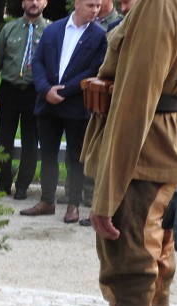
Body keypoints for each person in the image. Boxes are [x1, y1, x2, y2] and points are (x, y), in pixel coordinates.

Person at [49, 0, 177, 306]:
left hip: (142, 161)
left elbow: (135, 101)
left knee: (131, 279)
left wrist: (107, 192)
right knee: (154, 280)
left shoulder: (161, 4)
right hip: (162, 155)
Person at [18, 0, 105, 223]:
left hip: (75, 105)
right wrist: (45, 89)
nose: (95, 10)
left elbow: (93, 69)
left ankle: (73, 204)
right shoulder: (52, 29)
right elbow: (37, 62)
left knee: (75, 157)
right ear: (76, 4)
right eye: (90, 5)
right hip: (47, 103)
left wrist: (65, 90)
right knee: (47, 153)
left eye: (98, 6)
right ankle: (47, 201)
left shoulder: (98, 36)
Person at [0, 0, 48, 199]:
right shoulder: (9, 29)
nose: (34, 2)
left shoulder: (51, 30)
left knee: (31, 141)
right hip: (9, 91)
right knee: (4, 140)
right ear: (23, 3)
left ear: (45, 3)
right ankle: (3, 183)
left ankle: (23, 186)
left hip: (34, 93)